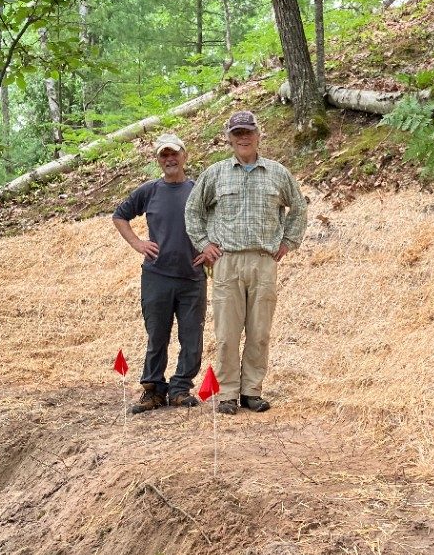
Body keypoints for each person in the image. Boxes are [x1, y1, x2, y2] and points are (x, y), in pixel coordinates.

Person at [185, 110, 307, 415]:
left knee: (259, 330)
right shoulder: (215, 174)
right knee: (226, 332)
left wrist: (288, 242)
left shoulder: (278, 173)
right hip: (227, 262)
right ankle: (227, 392)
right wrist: (204, 244)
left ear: (258, 135)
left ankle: (251, 390)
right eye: (237, 133)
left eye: (248, 132)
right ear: (228, 138)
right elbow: (193, 211)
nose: (243, 137)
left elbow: (299, 208)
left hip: (264, 261)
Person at [113, 132, 207, 413]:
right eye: (164, 155)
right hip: (157, 276)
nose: (170, 159)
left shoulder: (198, 190)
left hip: (193, 277)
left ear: (184, 156)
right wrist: (137, 243)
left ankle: (180, 389)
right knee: (157, 335)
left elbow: (219, 218)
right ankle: (153, 390)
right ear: (158, 160)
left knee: (192, 336)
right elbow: (120, 216)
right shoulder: (149, 191)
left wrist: (212, 246)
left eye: (174, 154)